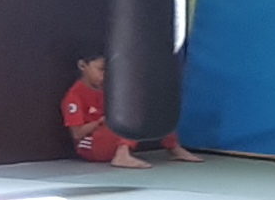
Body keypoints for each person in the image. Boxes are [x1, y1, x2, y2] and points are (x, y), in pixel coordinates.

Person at [62, 54, 195, 168]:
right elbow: (77, 134)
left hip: (111, 137)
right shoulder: (74, 96)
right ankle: (122, 154)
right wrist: (99, 122)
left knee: (150, 111)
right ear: (82, 66)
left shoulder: (110, 88)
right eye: (101, 69)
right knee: (126, 121)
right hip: (91, 146)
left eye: (108, 70)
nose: (105, 75)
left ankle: (174, 148)